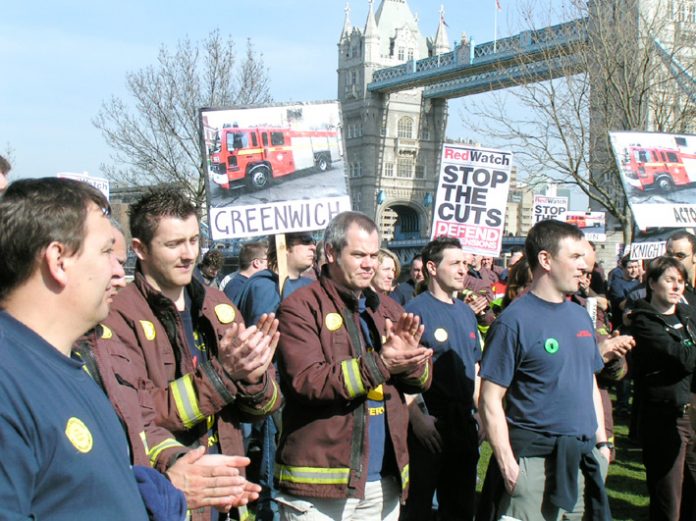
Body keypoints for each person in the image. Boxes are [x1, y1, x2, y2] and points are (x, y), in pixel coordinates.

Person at [99, 187, 281, 521]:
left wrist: (255, 376)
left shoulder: (218, 306)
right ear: (139, 249)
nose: (189, 255)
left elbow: (263, 410)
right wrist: (225, 375)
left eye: (194, 240)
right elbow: (138, 413)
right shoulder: (117, 315)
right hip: (174, 498)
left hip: (228, 496)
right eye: (173, 244)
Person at [0, 178, 149, 519]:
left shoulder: (71, 366)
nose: (118, 270)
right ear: (59, 260)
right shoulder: (8, 384)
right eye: (105, 251)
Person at [274, 211, 433, 520]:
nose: (369, 264)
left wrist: (412, 362)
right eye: (359, 254)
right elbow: (308, 381)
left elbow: (421, 380)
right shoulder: (300, 307)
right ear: (331, 253)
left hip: (383, 482)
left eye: (373, 255)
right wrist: (383, 362)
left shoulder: (387, 308)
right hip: (320, 485)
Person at [478, 219, 611, 521]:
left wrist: (602, 445)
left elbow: (588, 382)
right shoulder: (514, 321)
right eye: (575, 257)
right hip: (532, 464)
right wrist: (508, 465)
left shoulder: (580, 317)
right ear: (545, 260)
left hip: (581, 460)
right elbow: (489, 397)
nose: (584, 266)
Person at [234, 231, 316, 521]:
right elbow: (262, 340)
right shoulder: (266, 286)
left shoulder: (303, 284)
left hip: (298, 385)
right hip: (275, 387)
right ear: (285, 247)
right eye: (305, 242)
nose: (312, 247)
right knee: (271, 456)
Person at [402, 237, 481, 521]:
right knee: (420, 508)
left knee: (461, 507)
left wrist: (481, 413)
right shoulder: (415, 311)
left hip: (464, 426)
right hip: (431, 425)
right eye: (456, 263)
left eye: (466, 264)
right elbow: (401, 372)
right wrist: (417, 417)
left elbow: (473, 367)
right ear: (432, 268)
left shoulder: (466, 314)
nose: (464, 270)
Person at [629, 256, 696, 521]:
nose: (677, 287)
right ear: (653, 283)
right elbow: (680, 357)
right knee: (669, 497)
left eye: (680, 281)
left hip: (691, 412)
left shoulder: (688, 315)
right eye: (670, 280)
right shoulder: (645, 321)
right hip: (663, 416)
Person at [222, 240, 269, 305]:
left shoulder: (245, 284)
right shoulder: (235, 287)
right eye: (267, 260)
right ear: (256, 262)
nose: (269, 264)